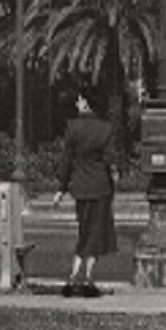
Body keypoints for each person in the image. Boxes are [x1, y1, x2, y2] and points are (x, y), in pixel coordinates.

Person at [53, 87, 118, 297]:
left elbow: (66, 161)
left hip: (80, 188)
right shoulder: (105, 129)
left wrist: (60, 189)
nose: (77, 104)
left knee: (84, 232)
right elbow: (109, 161)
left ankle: (73, 277)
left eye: (79, 101)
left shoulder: (73, 128)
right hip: (100, 188)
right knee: (95, 235)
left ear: (87, 103)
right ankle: (87, 278)